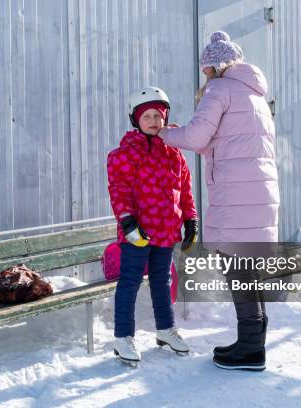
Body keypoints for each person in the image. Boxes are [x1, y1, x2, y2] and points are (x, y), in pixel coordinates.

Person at [158, 31, 279, 371]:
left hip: (235, 197)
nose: (204, 76)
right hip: (259, 196)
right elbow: (229, 144)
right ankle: (252, 343)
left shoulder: (220, 89)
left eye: (205, 69)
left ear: (213, 66)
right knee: (247, 272)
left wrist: (166, 133)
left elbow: (197, 136)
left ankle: (251, 350)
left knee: (237, 271)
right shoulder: (254, 95)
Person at [106, 86, 199, 365]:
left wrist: (190, 220)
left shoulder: (174, 154)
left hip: (166, 232)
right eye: (146, 116)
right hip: (138, 233)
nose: (153, 121)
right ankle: (123, 337)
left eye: (158, 116)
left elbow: (185, 190)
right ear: (135, 119)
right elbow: (119, 191)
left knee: (163, 281)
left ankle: (165, 330)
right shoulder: (123, 154)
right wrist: (127, 221)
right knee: (130, 282)